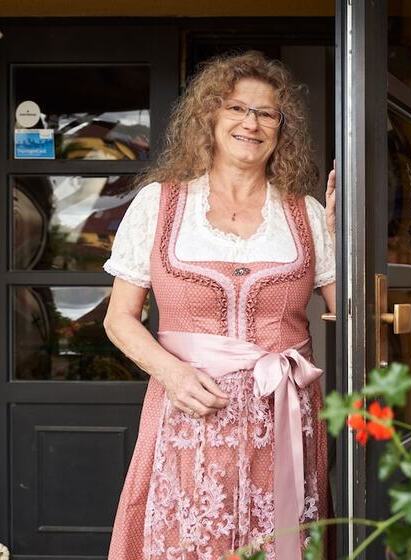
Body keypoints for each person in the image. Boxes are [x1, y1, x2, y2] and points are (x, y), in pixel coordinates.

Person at [103, 51, 336, 559]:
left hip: (285, 421)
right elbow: (119, 318)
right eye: (236, 108)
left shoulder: (306, 213)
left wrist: (347, 239)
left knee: (282, 542)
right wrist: (173, 373)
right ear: (209, 115)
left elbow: (352, 313)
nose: (251, 123)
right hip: (187, 416)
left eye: (267, 113)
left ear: (281, 129)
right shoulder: (159, 204)